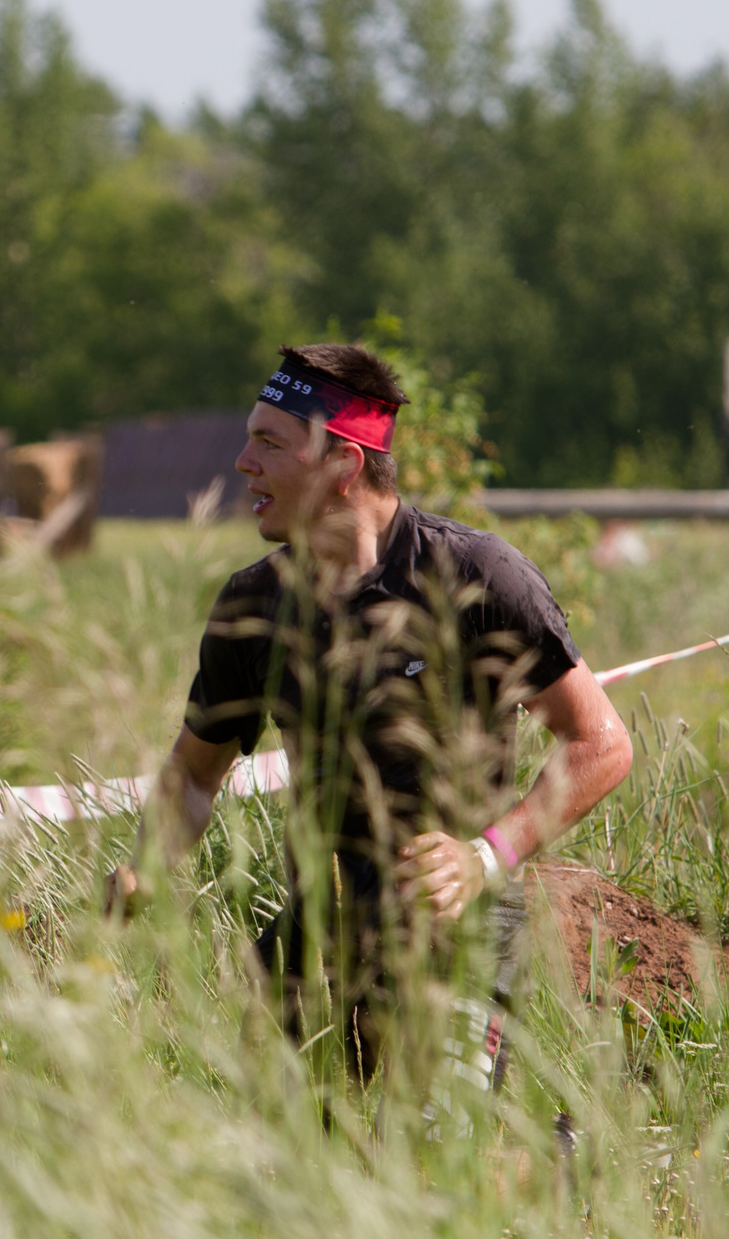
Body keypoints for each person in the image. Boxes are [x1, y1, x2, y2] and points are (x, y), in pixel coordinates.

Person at [122, 344, 632, 1088]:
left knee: (441, 1155)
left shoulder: (477, 576)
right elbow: (195, 779)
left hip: (455, 934)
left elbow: (602, 744)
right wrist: (143, 870)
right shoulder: (252, 603)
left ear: (344, 464)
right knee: (284, 1170)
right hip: (317, 929)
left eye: (269, 441)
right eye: (248, 437)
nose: (241, 462)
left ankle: (550, 1160)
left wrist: (484, 855)